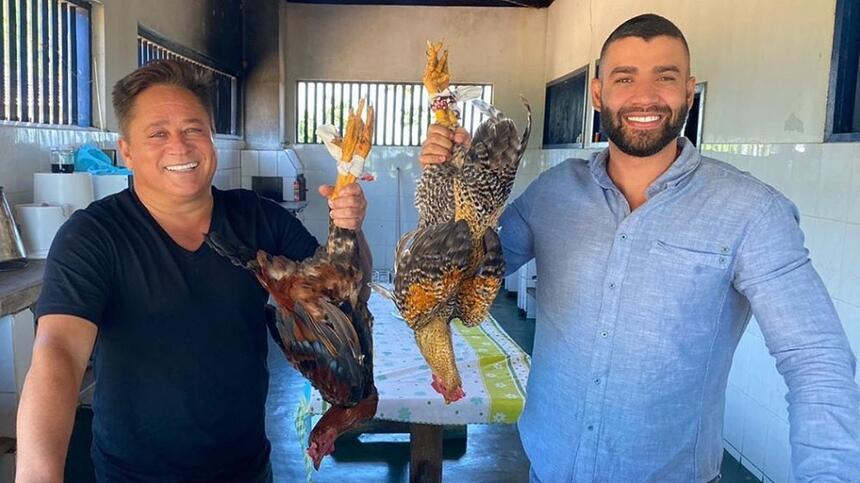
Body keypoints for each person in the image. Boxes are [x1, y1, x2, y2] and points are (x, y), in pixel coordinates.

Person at [421, 13, 860, 483]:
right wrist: (454, 187)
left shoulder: (752, 213)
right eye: (624, 78)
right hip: (546, 472)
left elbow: (817, 360)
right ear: (597, 93)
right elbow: (456, 277)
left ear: (688, 90)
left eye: (665, 78)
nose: (645, 97)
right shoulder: (553, 194)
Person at [15, 59, 371, 482]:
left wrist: (349, 230)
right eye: (158, 133)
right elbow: (59, 352)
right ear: (126, 149)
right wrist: (38, 474)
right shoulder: (93, 236)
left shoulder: (257, 219)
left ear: (211, 139)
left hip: (246, 471)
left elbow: (346, 289)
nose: (180, 147)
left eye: (193, 129)